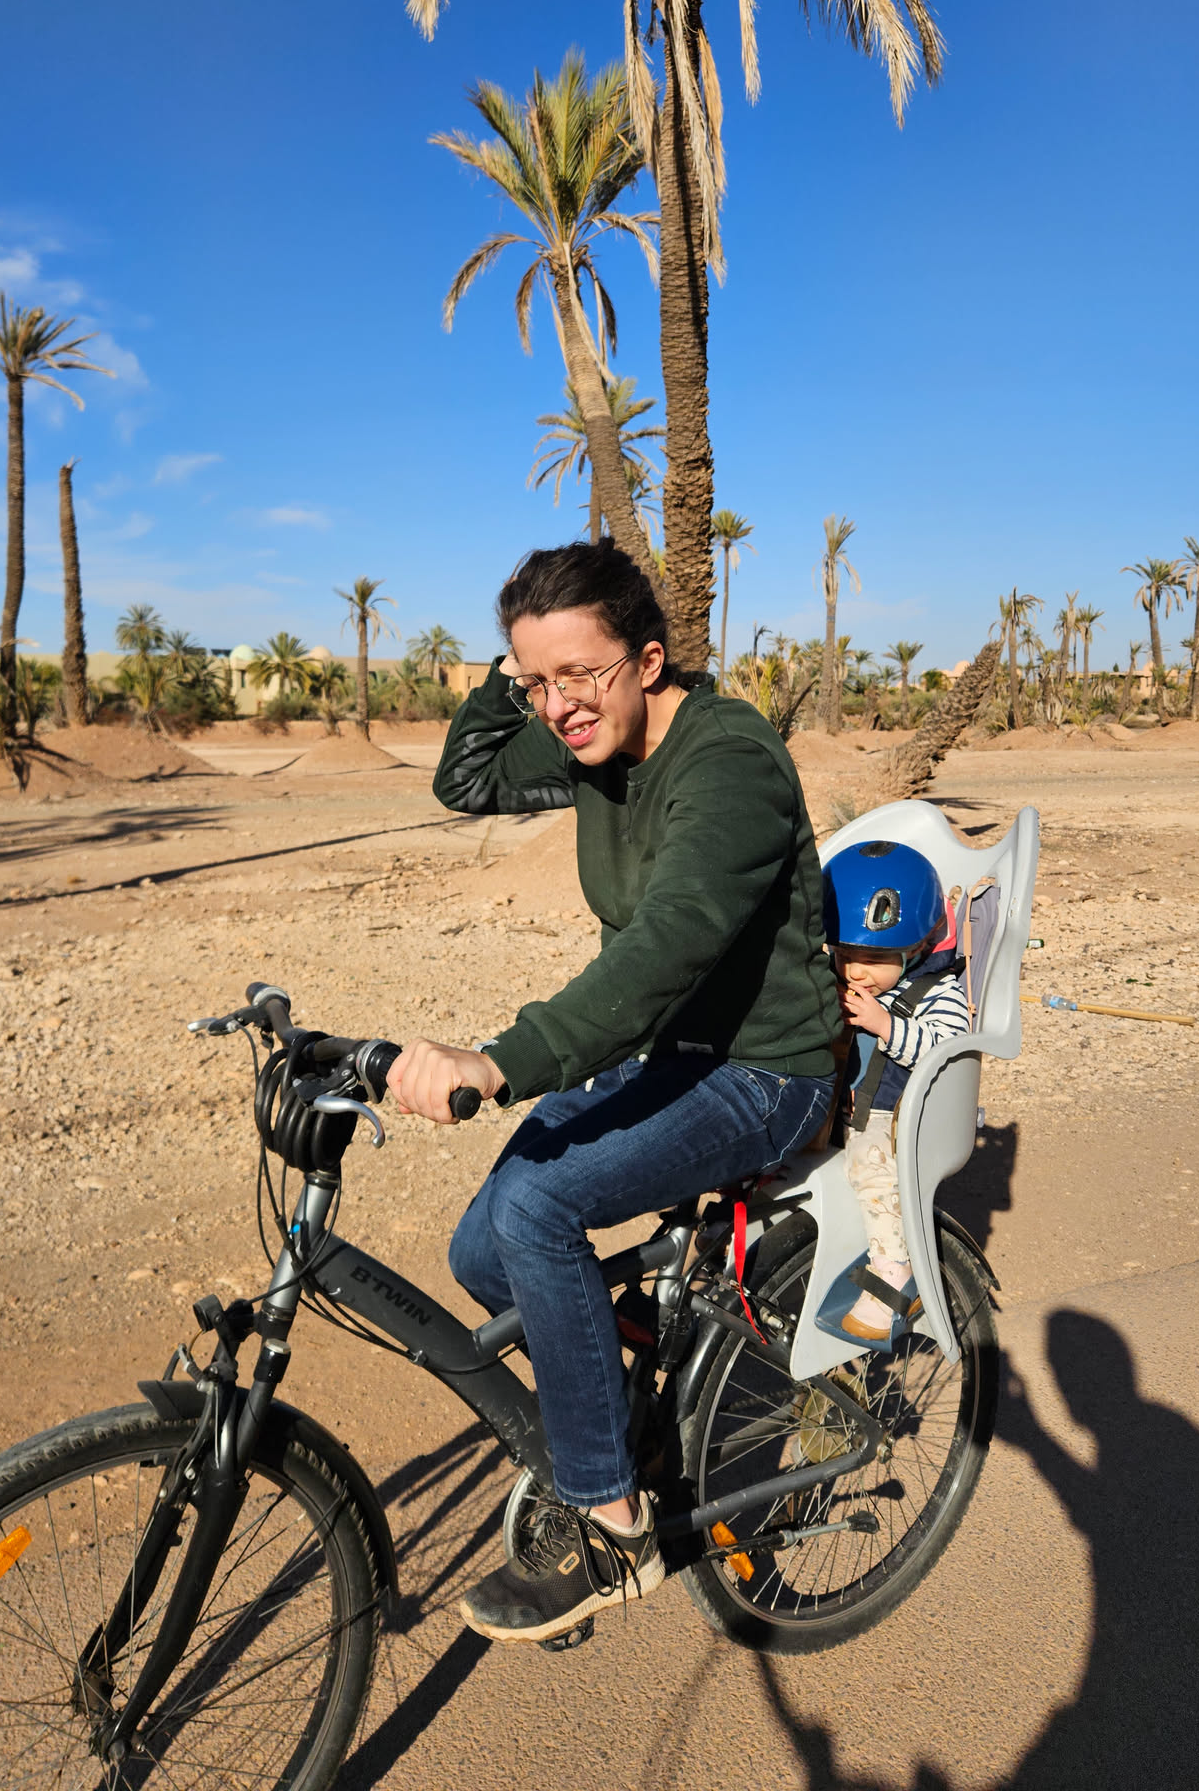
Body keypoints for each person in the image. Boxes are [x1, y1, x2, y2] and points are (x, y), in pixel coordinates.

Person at [386, 539, 841, 1645]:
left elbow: (670, 944)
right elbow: (466, 781)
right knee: (483, 1253)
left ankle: (613, 1525)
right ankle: (660, 1361)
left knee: (538, 1209)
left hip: (763, 1070)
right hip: (667, 1058)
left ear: (648, 660)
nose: (558, 707)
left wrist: (501, 1061)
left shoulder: (728, 763)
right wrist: (520, 678)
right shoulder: (591, 748)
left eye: (580, 675)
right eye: (536, 682)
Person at [821, 840, 971, 1342]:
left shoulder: (937, 992)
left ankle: (892, 1271)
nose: (854, 971)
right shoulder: (852, 979)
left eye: (872, 958)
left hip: (891, 1119)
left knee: (872, 1174)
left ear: (918, 948)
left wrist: (886, 1025)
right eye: (844, 955)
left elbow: (947, 1050)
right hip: (842, 1105)